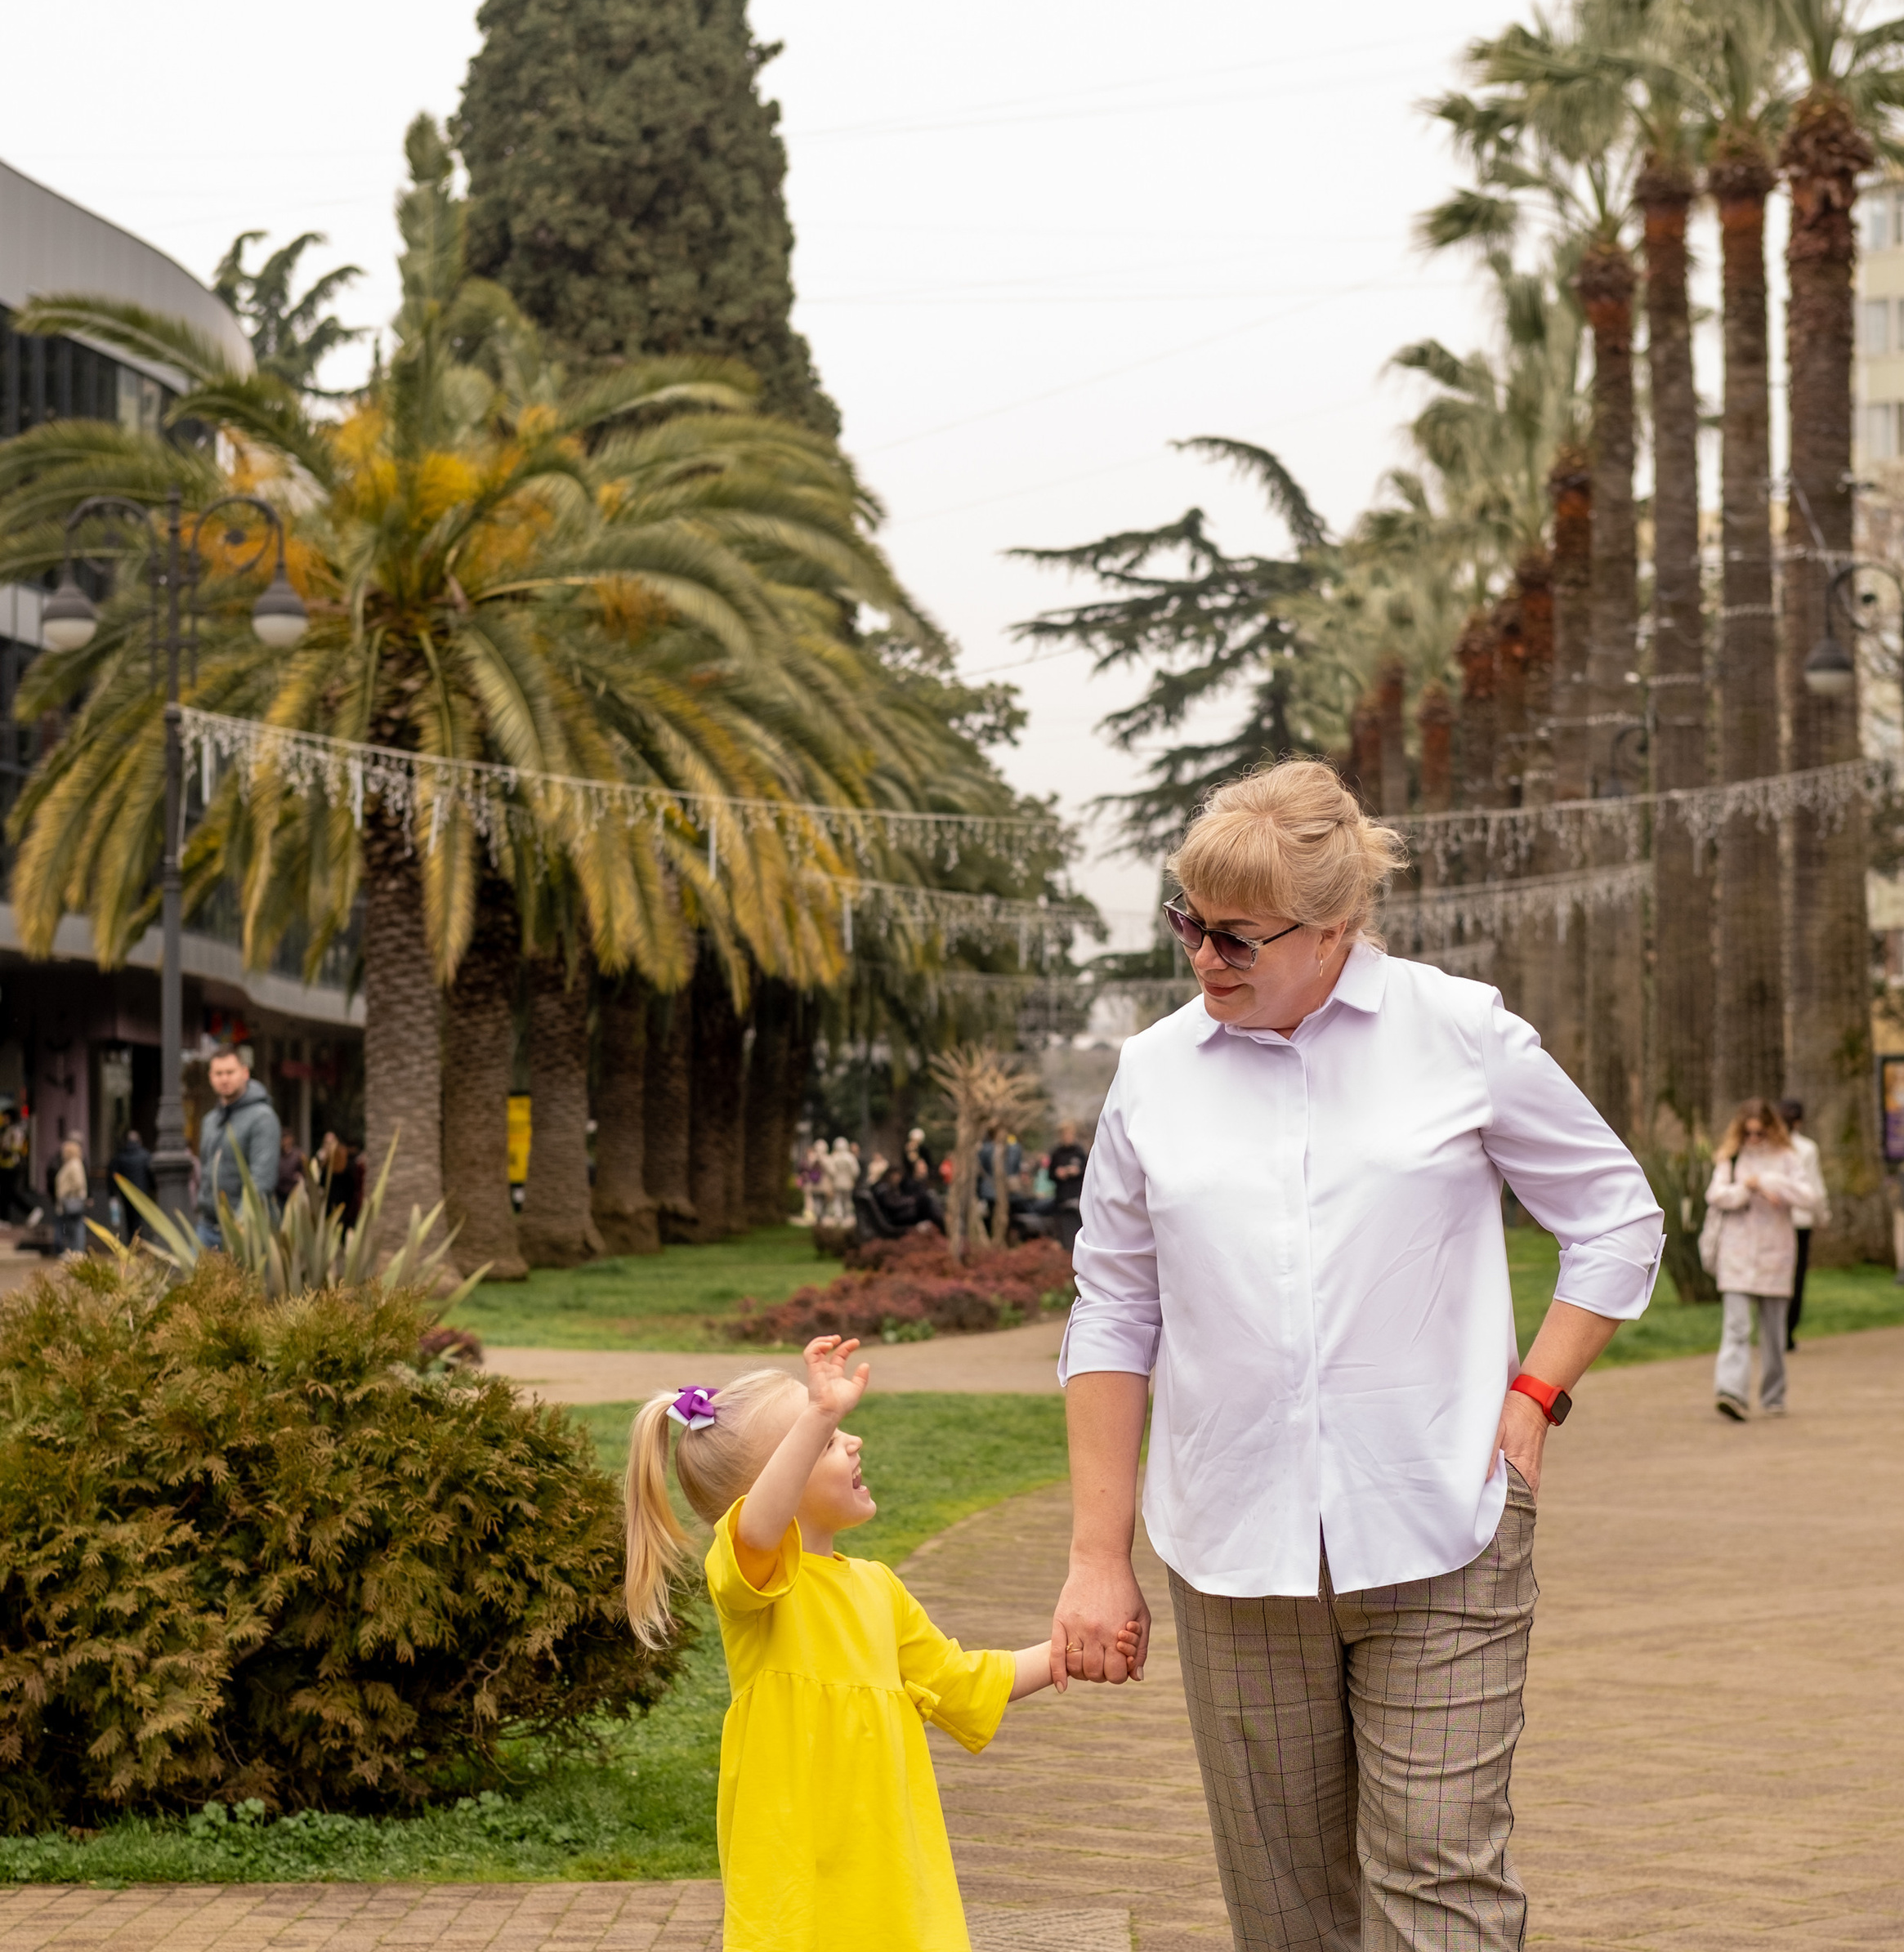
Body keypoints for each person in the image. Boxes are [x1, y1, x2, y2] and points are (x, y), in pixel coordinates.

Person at [1054, 759, 1663, 1951]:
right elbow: (1114, 1313)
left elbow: (1616, 1216)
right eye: (1189, 923)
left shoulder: (1461, 1033)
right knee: (1287, 1910)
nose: (1205, 956)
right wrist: (1095, 1557)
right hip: (1232, 1556)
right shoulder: (1152, 1077)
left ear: (1335, 930)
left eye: (1239, 936)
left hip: (1445, 1529)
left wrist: (1536, 1394)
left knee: (1437, 1879)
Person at [622, 1338, 1136, 1950]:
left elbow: (958, 1682)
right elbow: (758, 1528)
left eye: (840, 1433)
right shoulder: (750, 1585)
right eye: (831, 1442)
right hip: (797, 1867)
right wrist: (817, 1416)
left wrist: (1062, 1654)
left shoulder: (877, 1588)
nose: (852, 1441)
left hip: (886, 1861)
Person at [1702, 1099, 1813, 1421]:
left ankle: (1773, 1394)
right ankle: (1731, 1392)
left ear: (1771, 1129)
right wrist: (1745, 1189)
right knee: (1736, 1328)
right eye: (1748, 1132)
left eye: (1759, 1133)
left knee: (1774, 1333)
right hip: (1737, 1255)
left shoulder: (1788, 1158)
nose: (1753, 1139)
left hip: (1775, 1254)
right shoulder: (1731, 1158)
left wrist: (1772, 1184)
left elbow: (1810, 1197)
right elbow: (1716, 1195)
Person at [195, 1047, 282, 1248]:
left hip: (246, 1228)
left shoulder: (263, 1118)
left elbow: (262, 1179)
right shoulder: (210, 1120)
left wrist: (239, 1224)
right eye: (218, 1073)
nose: (224, 1079)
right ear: (210, 1077)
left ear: (245, 1073)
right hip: (207, 1226)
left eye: (230, 1072)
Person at [1777, 1097, 1827, 1351]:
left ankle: (1775, 1330)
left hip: (1776, 1220)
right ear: (1799, 1122)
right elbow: (1815, 1188)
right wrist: (1822, 1215)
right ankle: (1786, 1330)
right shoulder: (1806, 1148)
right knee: (1795, 1278)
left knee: (1776, 1275)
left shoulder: (1770, 1145)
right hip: (1799, 1221)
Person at [1048, 1121, 1088, 1253]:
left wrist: (1077, 1171)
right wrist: (1057, 1173)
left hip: (1077, 1195)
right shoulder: (1056, 1153)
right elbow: (1050, 1175)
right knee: (1064, 1227)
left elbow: (1088, 1172)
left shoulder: (1079, 1152)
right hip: (1062, 1196)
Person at [110, 1128, 155, 1240]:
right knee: (138, 1218)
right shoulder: (145, 1155)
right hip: (141, 1192)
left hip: (126, 1192)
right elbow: (151, 1173)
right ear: (139, 1140)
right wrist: (153, 1188)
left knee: (129, 1217)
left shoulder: (120, 1156)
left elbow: (113, 1174)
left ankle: (132, 1240)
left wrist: (113, 1192)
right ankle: (138, 1239)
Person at [53, 1137, 90, 1257]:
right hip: (70, 1200)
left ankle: (76, 1251)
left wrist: (65, 1193)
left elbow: (78, 1183)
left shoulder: (74, 1164)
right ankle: (73, 1250)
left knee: (75, 1227)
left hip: (72, 1200)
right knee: (71, 1227)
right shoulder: (71, 1164)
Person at [275, 1125, 307, 1205]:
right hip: (280, 1193)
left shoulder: (298, 1155)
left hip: (294, 1193)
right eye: (283, 1138)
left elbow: (306, 1171)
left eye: (286, 1138)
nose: (284, 1141)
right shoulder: (278, 1155)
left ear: (291, 1139)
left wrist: (300, 1177)